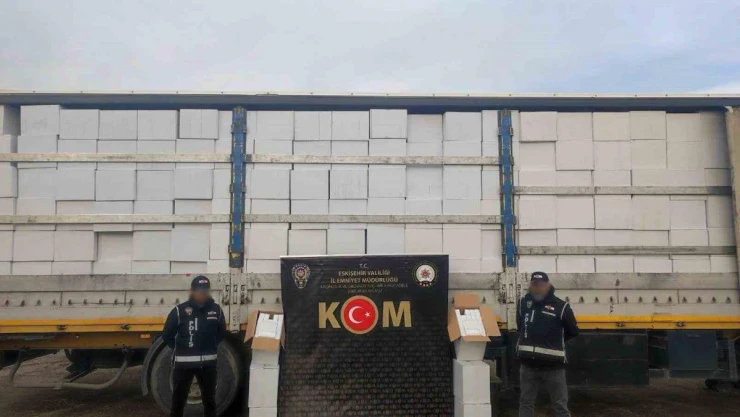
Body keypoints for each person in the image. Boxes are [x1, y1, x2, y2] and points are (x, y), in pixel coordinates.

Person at [162, 275, 226, 417]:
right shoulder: (179, 310)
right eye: (199, 290)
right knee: (178, 402)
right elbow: (167, 335)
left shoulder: (216, 310)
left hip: (208, 365)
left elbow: (221, 333)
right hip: (183, 366)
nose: (202, 293)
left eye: (205, 290)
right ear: (192, 291)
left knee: (210, 401)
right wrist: (180, 349)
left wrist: (210, 346)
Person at [516, 271, 579, 417]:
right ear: (531, 286)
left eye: (541, 285)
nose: (538, 288)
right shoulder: (523, 304)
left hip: (553, 367)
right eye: (535, 284)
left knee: (560, 406)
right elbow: (520, 327)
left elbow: (573, 331)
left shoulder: (561, 306)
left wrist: (554, 342)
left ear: (548, 286)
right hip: (528, 366)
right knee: (525, 403)